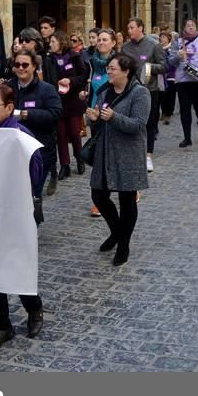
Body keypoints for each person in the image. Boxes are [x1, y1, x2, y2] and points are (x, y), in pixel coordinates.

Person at [0, 84, 44, 353]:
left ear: (8, 108)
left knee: (16, 265)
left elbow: (35, 175)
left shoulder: (20, 137)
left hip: (14, 212)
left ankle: (34, 308)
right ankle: (1, 325)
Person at [86, 54, 150, 266]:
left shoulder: (140, 93)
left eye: (113, 68)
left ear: (126, 71)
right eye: (109, 68)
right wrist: (94, 119)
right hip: (105, 151)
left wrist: (113, 117)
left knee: (127, 200)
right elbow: (99, 120)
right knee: (99, 195)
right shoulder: (104, 90)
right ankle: (117, 232)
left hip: (128, 154)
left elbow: (138, 125)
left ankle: (123, 244)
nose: (109, 72)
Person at [6, 48, 62, 217]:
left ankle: (33, 224)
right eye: (17, 64)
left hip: (40, 151)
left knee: (33, 192)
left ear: (34, 67)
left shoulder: (47, 90)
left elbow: (56, 113)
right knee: (16, 194)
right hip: (14, 151)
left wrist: (27, 114)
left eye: (25, 64)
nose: (21, 68)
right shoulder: (7, 88)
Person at [121, 18, 166, 173]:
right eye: (128, 28)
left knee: (150, 123)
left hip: (149, 90)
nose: (129, 30)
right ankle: (132, 153)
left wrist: (149, 68)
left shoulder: (154, 45)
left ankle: (148, 155)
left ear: (140, 28)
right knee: (131, 122)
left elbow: (163, 66)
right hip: (130, 90)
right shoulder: (125, 47)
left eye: (132, 27)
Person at [18, 27, 59, 196]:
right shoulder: (17, 63)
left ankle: (53, 172)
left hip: (44, 103)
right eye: (21, 41)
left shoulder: (47, 60)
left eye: (27, 41)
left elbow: (53, 82)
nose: (24, 44)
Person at [80, 29, 117, 217]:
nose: (101, 42)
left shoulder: (119, 63)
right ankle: (100, 200)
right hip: (95, 115)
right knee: (98, 159)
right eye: (99, 39)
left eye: (105, 40)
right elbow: (89, 84)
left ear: (113, 43)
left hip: (111, 116)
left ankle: (129, 190)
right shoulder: (91, 62)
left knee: (111, 159)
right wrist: (85, 94)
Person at [167, 20, 198, 147]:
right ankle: (187, 138)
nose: (190, 27)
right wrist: (178, 56)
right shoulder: (177, 42)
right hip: (183, 80)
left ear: (196, 28)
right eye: (187, 25)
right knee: (184, 109)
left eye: (192, 25)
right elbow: (171, 61)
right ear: (184, 27)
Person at [47, 31, 87, 180]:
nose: (50, 44)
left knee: (74, 132)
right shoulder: (49, 59)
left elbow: (83, 76)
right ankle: (65, 165)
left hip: (73, 100)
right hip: (57, 101)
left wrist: (70, 81)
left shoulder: (74, 56)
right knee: (60, 134)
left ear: (61, 42)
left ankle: (80, 158)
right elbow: (47, 77)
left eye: (53, 41)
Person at [158, 32, 177, 124]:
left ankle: (169, 114)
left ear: (168, 39)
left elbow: (173, 61)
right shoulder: (158, 48)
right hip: (161, 76)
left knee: (170, 95)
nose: (162, 39)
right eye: (161, 37)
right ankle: (164, 111)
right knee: (162, 95)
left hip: (171, 75)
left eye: (164, 37)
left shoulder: (172, 49)